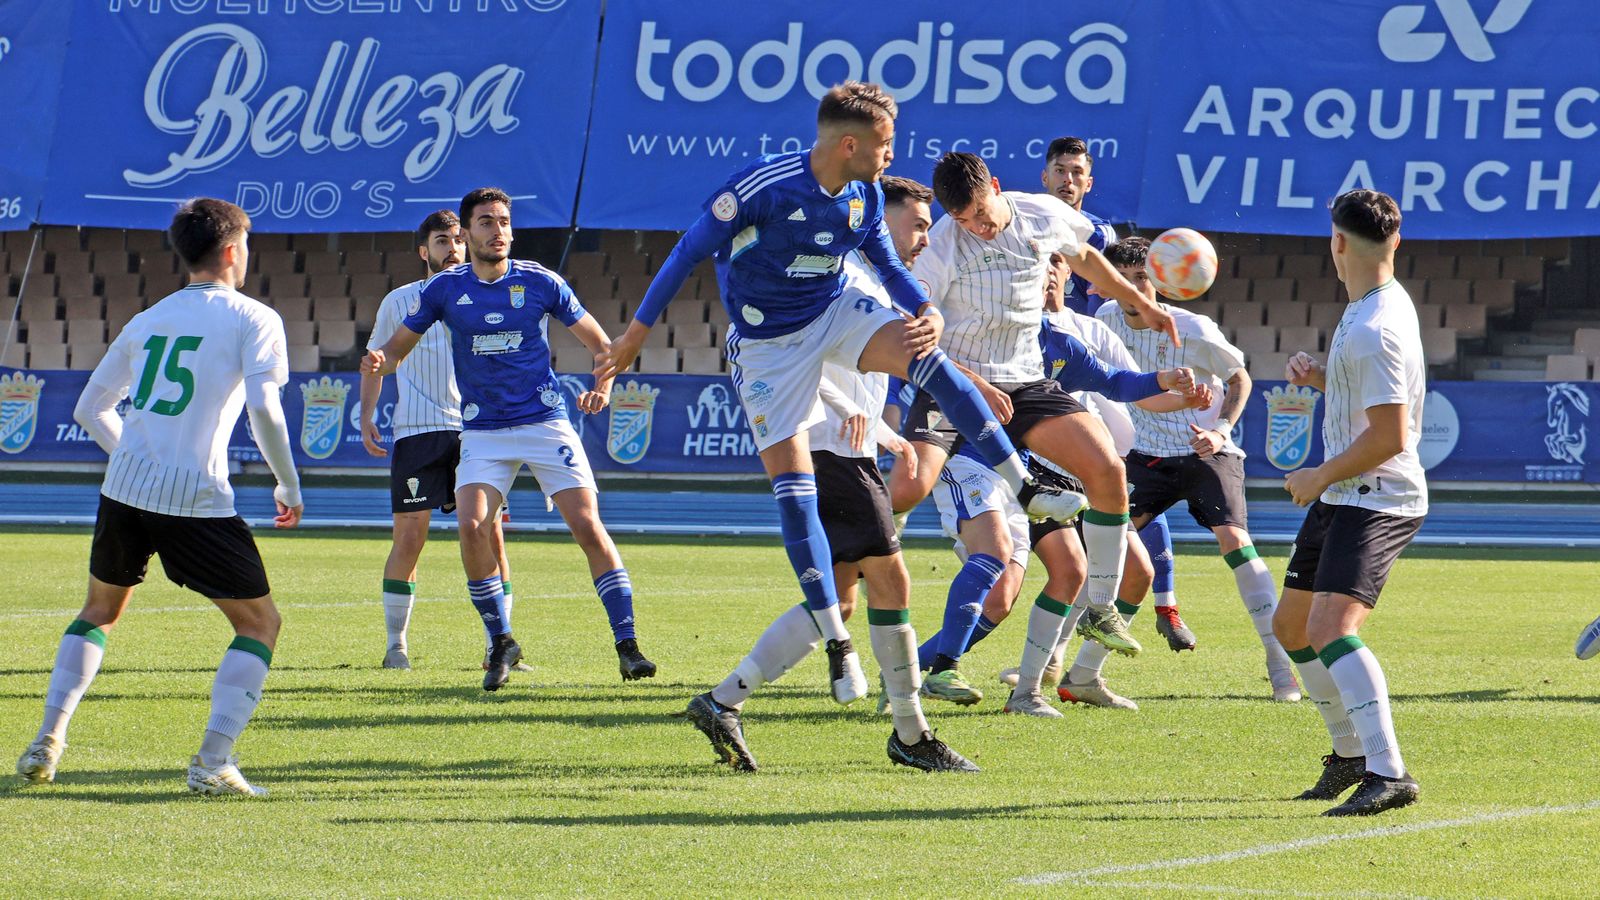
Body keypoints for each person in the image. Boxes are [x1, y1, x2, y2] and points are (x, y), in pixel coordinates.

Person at [597, 82, 1087, 772]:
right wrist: (630, 341)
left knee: (925, 359)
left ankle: (1024, 485)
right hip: (769, 351)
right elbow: (683, 254)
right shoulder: (762, 190)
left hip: (830, 322)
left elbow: (888, 267)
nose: (892, 158)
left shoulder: (859, 202)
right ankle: (845, 689)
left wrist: (926, 307)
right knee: (862, 570)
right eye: (885, 146)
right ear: (850, 144)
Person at [15, 198, 302, 797]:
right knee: (259, 624)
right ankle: (212, 761)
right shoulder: (255, 318)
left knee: (98, 612)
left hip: (124, 488)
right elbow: (266, 409)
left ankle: (48, 738)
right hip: (193, 495)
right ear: (231, 250)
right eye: (246, 243)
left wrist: (134, 454)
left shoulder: (147, 318)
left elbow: (89, 409)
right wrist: (288, 482)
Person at [699, 176, 967, 772]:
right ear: (880, 217)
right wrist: (855, 417)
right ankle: (911, 732)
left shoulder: (878, 283)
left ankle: (723, 701)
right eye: (917, 224)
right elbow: (782, 355)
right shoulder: (838, 273)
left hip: (851, 447)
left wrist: (883, 429)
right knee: (890, 581)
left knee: (841, 599)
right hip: (824, 447)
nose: (924, 237)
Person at [905, 151, 1186, 683]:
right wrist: (974, 382)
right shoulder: (943, 245)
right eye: (964, 220)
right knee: (909, 490)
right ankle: (875, 582)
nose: (978, 229)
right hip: (960, 388)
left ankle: (1100, 607)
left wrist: (1138, 303)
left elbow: (1082, 254)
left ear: (995, 186)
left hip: (1025, 383)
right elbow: (922, 327)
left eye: (982, 215)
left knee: (1107, 471)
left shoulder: (1038, 213)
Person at [363, 187, 655, 692]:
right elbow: (393, 350)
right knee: (473, 527)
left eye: (502, 221)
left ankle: (627, 646)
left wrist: (602, 386)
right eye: (484, 222)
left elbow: (603, 345)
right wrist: (379, 363)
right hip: (483, 431)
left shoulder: (540, 281)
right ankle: (501, 641)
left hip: (544, 422)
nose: (495, 230)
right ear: (468, 233)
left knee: (587, 525)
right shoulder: (443, 291)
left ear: (511, 230)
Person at [1271, 189, 1428, 816]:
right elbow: (1370, 395)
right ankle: (1349, 755)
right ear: (1396, 242)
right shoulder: (1373, 306)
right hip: (1346, 493)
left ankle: (1389, 772)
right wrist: (1322, 379)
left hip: (1376, 496)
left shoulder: (1375, 327)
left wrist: (1315, 476)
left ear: (1337, 243)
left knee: (1332, 629)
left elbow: (1389, 437)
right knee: (1291, 627)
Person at [1094, 237, 1301, 702]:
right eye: (1122, 280)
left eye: (1141, 278)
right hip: (1145, 455)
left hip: (1205, 450)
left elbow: (1239, 378)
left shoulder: (1195, 328)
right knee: (1103, 546)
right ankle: (1065, 668)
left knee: (1234, 541)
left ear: (1159, 280)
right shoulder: (1104, 320)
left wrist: (1222, 429)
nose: (1132, 289)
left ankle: (1279, 665)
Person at [359, 210, 519, 672]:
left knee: (492, 536)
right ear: (422, 251)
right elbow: (375, 361)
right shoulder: (400, 301)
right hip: (419, 432)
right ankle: (396, 647)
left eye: (457, 240)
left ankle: (500, 645)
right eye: (441, 241)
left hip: (481, 434)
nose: (452, 249)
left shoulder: (492, 294)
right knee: (409, 538)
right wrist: (368, 413)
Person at [1039, 137, 1118, 317]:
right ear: (1045, 177)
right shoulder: (1024, 224)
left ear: (1088, 184)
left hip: (1077, 339)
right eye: (1060, 170)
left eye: (1076, 172)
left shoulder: (1100, 236)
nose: (1068, 179)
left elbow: (1100, 312)